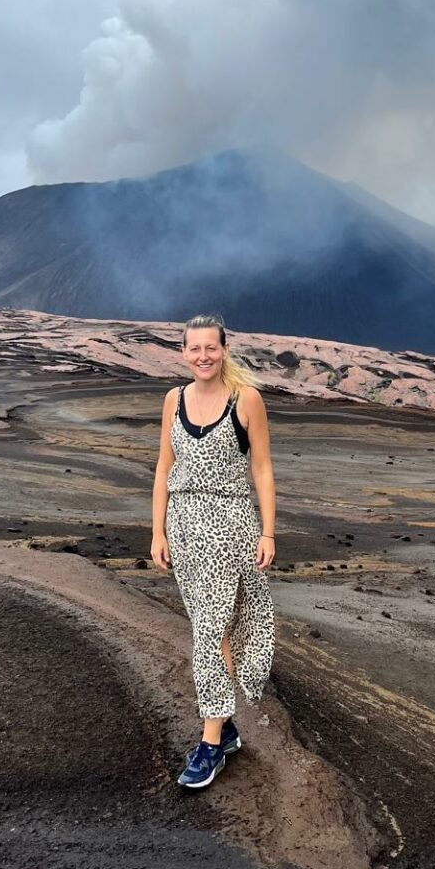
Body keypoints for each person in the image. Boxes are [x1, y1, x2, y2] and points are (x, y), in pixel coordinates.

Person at [151, 314, 276, 788]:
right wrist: (158, 531)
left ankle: (208, 745)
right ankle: (223, 731)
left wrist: (268, 533)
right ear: (184, 352)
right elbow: (165, 466)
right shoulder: (172, 400)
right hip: (183, 528)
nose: (203, 356)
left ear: (225, 349)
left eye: (211, 347)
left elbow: (262, 469)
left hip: (229, 528)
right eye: (194, 348)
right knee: (214, 629)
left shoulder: (247, 400)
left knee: (209, 632)